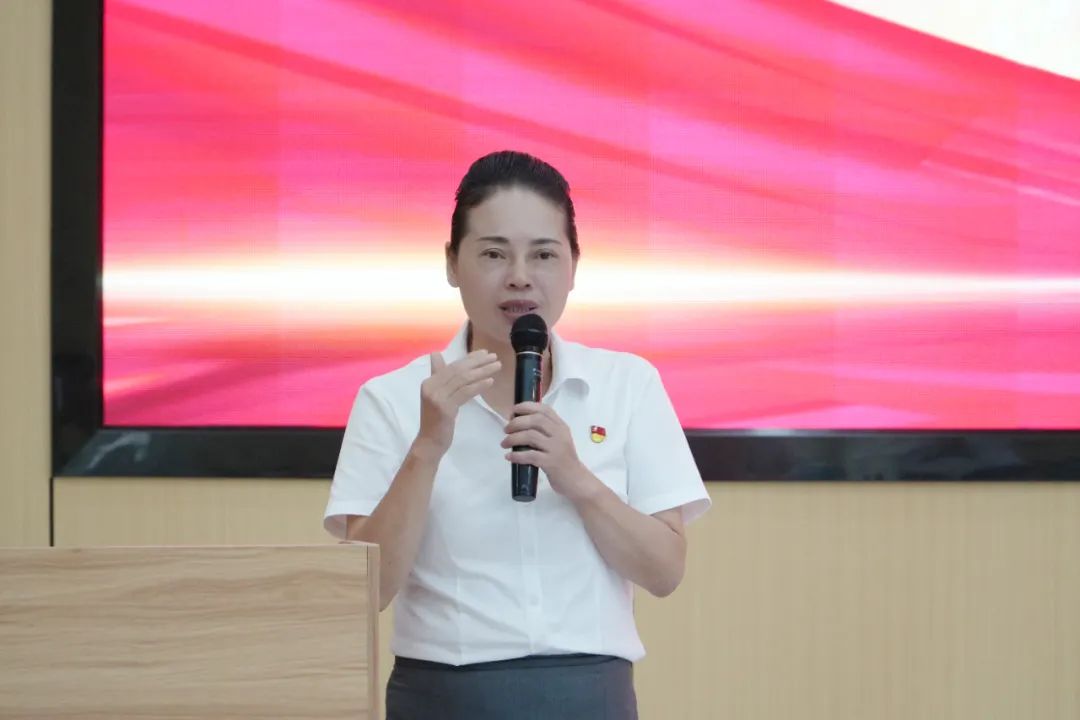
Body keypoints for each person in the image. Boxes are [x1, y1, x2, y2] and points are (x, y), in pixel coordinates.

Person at [324, 150, 710, 719]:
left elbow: (664, 572)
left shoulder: (627, 384)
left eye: (544, 254)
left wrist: (577, 479)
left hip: (591, 696)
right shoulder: (392, 398)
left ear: (574, 266)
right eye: (493, 253)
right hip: (444, 696)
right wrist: (427, 448)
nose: (520, 276)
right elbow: (365, 593)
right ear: (452, 263)